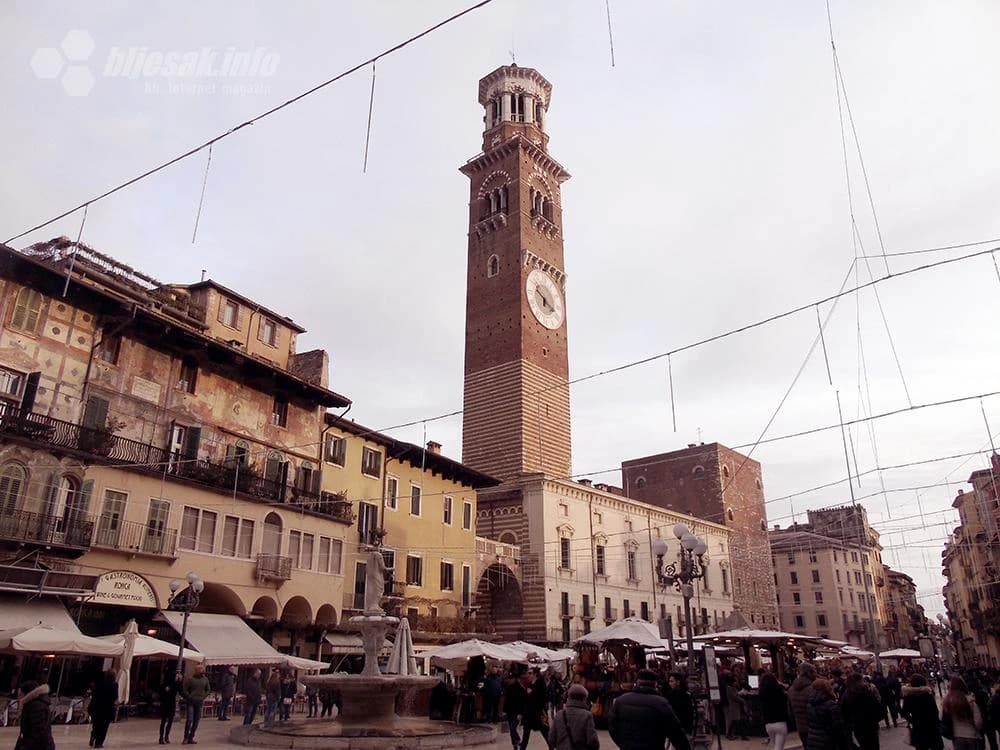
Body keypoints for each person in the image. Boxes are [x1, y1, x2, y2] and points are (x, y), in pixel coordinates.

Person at [607, 669, 691, 750]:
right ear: (655, 684)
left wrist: (624, 744)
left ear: (637, 683)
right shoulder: (661, 703)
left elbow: (612, 727)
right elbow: (676, 732)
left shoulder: (620, 701)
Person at [548, 683, 599, 750]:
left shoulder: (560, 714)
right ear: (584, 698)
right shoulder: (587, 716)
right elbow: (592, 741)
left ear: (569, 697)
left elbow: (551, 738)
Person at [840, 672, 882, 750]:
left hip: (858, 727)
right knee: (874, 746)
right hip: (871, 725)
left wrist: (850, 724)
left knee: (864, 746)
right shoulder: (867, 692)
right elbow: (878, 709)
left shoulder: (846, 695)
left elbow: (844, 713)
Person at [900, 674, 943, 750]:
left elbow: (903, 712)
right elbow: (935, 711)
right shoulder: (928, 695)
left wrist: (912, 720)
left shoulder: (909, 697)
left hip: (918, 727)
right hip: (932, 726)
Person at [941, 676, 984, 750]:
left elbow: (943, 718)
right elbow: (978, 721)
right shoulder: (970, 700)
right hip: (972, 734)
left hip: (957, 736)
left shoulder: (947, 701)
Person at [806, 678, 849, 750]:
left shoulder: (809, 705)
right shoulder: (831, 705)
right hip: (828, 741)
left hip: (812, 740)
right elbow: (838, 727)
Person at [14, 679, 54, 750]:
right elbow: (24, 732)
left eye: (20, 694)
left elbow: (38, 731)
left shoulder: (37, 707)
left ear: (27, 694)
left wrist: (24, 747)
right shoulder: (30, 705)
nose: (18, 698)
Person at [789, 663, 817, 750]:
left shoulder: (791, 690)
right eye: (814, 672)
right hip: (814, 727)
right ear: (809, 673)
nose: (816, 674)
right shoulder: (813, 688)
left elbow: (790, 710)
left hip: (800, 726)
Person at [181, 664, 211, 744]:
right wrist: (189, 696)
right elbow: (184, 690)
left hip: (199, 702)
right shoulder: (190, 679)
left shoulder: (205, 679)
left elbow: (208, 690)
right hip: (191, 702)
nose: (203, 671)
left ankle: (191, 737)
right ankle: (186, 737)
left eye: (203, 669)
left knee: (196, 721)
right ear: (196, 670)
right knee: (189, 720)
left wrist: (203, 696)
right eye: (201, 669)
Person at [760, 672, 790, 750]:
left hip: (768, 724)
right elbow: (787, 692)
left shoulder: (762, 693)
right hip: (780, 722)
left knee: (776, 746)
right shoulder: (779, 692)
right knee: (779, 747)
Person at [89, 669, 118, 749]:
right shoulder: (114, 685)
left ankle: (93, 734)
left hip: (97, 707)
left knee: (96, 724)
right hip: (107, 708)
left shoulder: (99, 683)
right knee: (104, 727)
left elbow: (94, 694)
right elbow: (115, 697)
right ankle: (99, 742)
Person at [504, 672, 530, 750]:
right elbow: (507, 700)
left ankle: (517, 740)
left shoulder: (520, 689)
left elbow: (524, 702)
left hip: (516, 713)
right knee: (511, 729)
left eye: (511, 679)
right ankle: (515, 745)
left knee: (512, 728)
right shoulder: (508, 688)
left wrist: (521, 713)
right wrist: (504, 710)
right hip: (510, 712)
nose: (510, 680)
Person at [725, 671, 749, 740]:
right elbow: (735, 696)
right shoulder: (730, 688)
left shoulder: (731, 687)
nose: (736, 683)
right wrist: (742, 700)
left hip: (736, 706)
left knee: (736, 721)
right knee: (736, 721)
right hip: (734, 706)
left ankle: (732, 734)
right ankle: (738, 735)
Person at [159, 673, 180, 743]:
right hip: (165, 705)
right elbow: (161, 694)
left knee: (170, 721)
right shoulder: (165, 684)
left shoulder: (175, 684)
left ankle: (167, 736)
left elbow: (180, 690)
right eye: (176, 676)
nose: (177, 677)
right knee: (163, 721)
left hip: (172, 705)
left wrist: (180, 681)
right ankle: (161, 737)